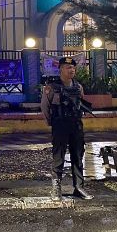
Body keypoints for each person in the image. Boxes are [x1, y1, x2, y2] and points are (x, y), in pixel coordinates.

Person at [41, 57, 93, 201]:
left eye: (73, 68)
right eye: (68, 67)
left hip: (76, 125)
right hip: (60, 125)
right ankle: (56, 188)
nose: (72, 70)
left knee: (78, 156)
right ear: (61, 69)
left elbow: (81, 103)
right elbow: (45, 107)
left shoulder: (78, 87)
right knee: (58, 157)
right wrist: (51, 122)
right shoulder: (52, 87)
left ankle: (79, 187)